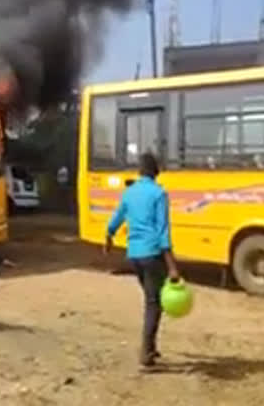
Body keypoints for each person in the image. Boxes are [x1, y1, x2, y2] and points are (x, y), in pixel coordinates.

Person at [104, 152, 180, 367]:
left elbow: (117, 217)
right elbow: (163, 231)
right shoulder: (158, 193)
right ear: (156, 171)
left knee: (151, 298)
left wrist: (108, 236)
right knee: (154, 303)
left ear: (139, 171)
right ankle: (146, 352)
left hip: (134, 255)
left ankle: (151, 347)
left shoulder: (129, 193)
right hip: (152, 254)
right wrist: (172, 266)